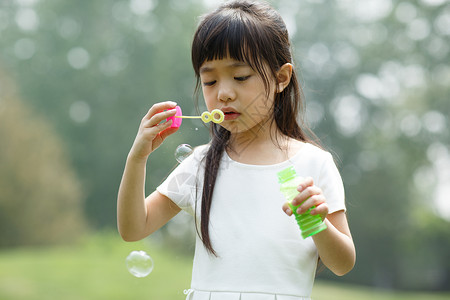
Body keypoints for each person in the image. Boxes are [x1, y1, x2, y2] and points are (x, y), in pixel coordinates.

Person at [117, 1, 356, 299]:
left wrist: (316, 224)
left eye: (240, 77)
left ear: (281, 78)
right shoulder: (201, 163)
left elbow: (343, 263)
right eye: (209, 80)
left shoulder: (312, 164)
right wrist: (137, 157)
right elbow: (133, 228)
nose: (223, 93)